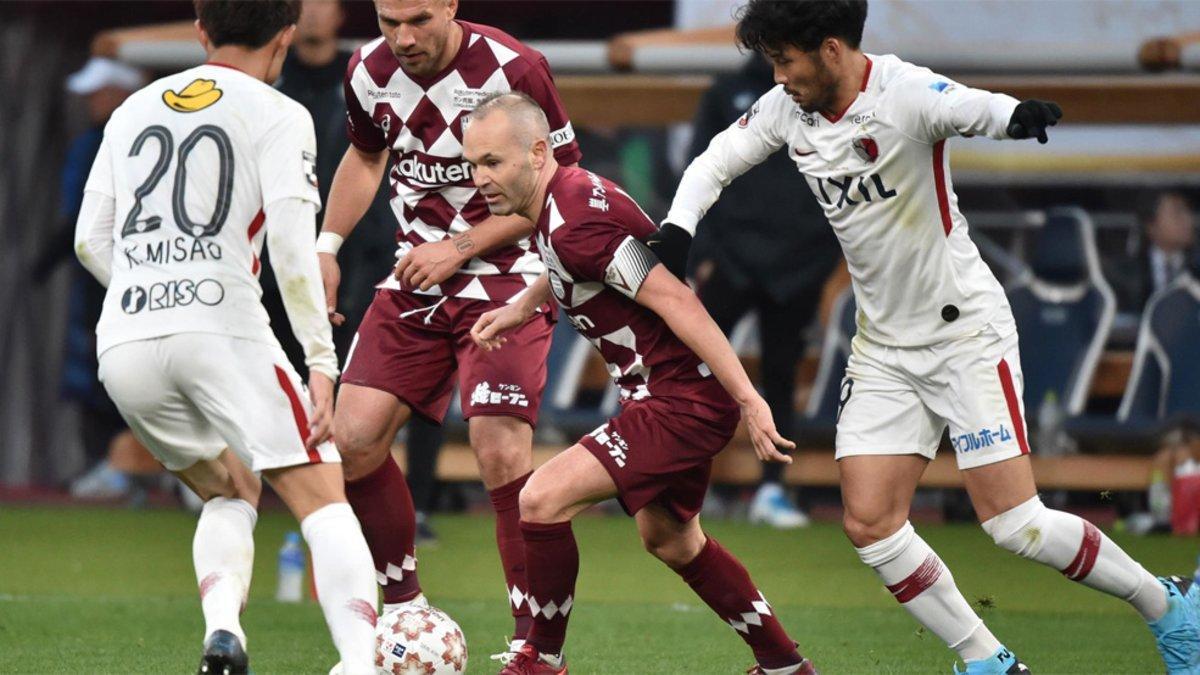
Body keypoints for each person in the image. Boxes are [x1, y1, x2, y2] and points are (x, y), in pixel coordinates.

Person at [652, 1, 1199, 672]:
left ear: (829, 50)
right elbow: (713, 162)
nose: (779, 77)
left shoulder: (903, 93)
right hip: (884, 348)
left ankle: (1170, 607)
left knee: (1015, 524)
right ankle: (989, 660)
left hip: (964, 333)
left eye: (785, 61)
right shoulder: (784, 111)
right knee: (871, 520)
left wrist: (1015, 118)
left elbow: (966, 106)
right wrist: (678, 230)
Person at [464, 92, 815, 675]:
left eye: (492, 162)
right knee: (672, 540)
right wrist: (524, 307)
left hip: (679, 401)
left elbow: (675, 298)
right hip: (665, 395)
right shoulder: (564, 196)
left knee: (540, 500)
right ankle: (784, 666)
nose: (481, 178)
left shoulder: (574, 220)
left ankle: (541, 659)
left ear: (535, 150)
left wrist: (750, 400)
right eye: (473, 163)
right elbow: (580, 268)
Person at [72, 2, 377, 673]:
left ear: (201, 31)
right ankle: (363, 661)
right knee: (322, 492)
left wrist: (152, 284)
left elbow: (88, 238)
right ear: (288, 35)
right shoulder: (280, 113)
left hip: (125, 339)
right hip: (221, 326)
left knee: (229, 486)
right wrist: (320, 363)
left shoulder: (132, 109)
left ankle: (224, 632)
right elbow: (296, 253)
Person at [317, 0, 582, 658]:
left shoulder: (514, 67)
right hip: (417, 278)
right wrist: (326, 245)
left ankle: (534, 647)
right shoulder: (367, 71)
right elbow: (364, 155)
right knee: (351, 439)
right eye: (387, 21)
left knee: (498, 450)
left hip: (509, 277)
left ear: (451, 6)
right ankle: (405, 610)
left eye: (418, 21)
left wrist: (459, 248)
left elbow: (563, 185)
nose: (402, 39)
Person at [686, 53, 842, 529]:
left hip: (796, 264)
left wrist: (819, 259)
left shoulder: (824, 95)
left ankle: (773, 489)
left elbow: (840, 178)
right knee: (693, 366)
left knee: (781, 374)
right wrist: (703, 254)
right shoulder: (727, 90)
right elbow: (701, 166)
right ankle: (683, 480)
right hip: (731, 259)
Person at [33, 57, 145, 499]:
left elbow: (85, 226)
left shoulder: (123, 141)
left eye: (100, 90)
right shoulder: (92, 141)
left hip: (132, 277)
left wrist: (44, 261)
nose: (91, 100)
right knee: (96, 375)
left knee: (125, 375)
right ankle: (112, 467)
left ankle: (135, 470)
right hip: (101, 278)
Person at [1113, 189, 1196, 313]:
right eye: (1177, 213)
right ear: (1151, 226)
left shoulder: (1196, 266)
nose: (1188, 220)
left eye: (1188, 212)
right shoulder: (1124, 275)